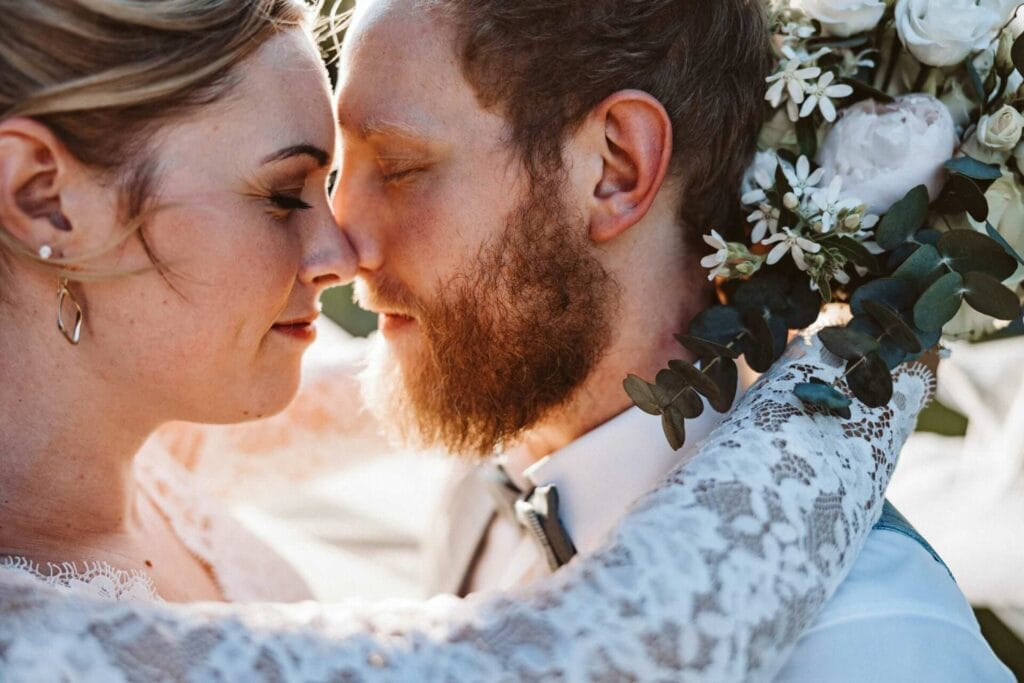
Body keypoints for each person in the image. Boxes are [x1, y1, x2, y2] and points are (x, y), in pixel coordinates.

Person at [0, 0, 1003, 681]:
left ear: (615, 168)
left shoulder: (876, 647)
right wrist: (872, 355)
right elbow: (592, 639)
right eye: (282, 190)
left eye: (391, 165)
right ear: (43, 200)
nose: (338, 244)